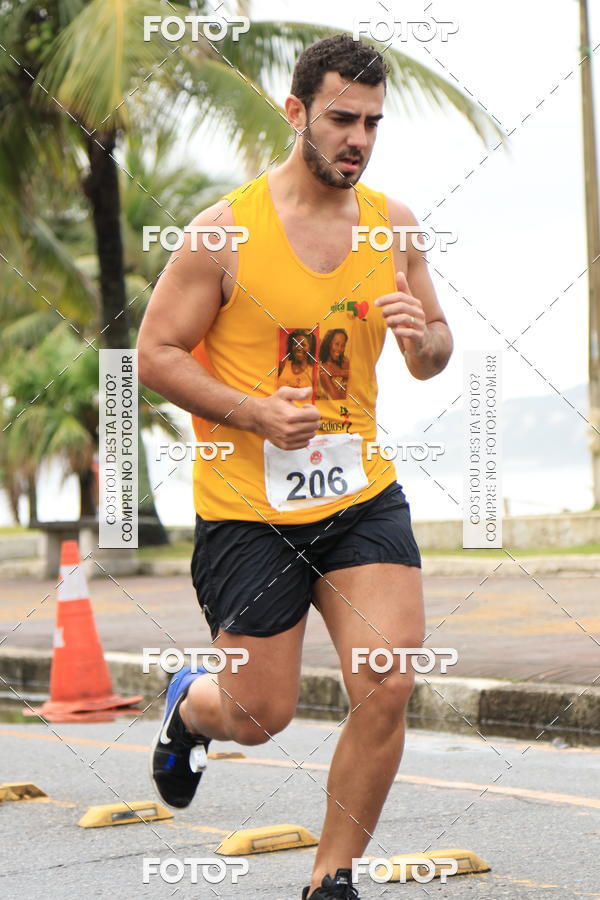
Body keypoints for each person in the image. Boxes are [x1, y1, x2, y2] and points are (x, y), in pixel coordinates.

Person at [137, 33, 452, 900]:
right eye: (342, 119)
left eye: (373, 123)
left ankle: (331, 877)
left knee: (387, 679)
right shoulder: (223, 232)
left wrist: (423, 339)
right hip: (248, 508)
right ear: (295, 112)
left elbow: (434, 351)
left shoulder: (394, 226)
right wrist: (254, 413)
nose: (359, 139)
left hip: (359, 497)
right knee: (258, 714)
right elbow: (154, 354)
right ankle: (191, 704)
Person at [318, 328, 350, 399]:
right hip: (330, 405)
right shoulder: (322, 369)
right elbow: (338, 399)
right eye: (336, 344)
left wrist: (339, 372)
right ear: (328, 344)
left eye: (343, 345)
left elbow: (359, 376)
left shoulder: (345, 362)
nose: (339, 349)